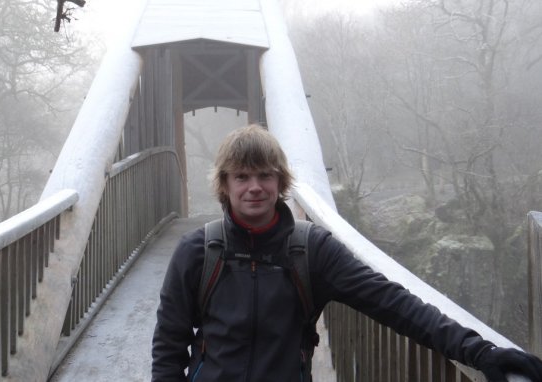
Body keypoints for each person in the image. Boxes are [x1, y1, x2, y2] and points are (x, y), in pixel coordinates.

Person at [152, 124, 542, 382]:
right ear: (225, 184)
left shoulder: (312, 251)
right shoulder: (198, 252)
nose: (254, 187)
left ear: (280, 181)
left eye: (265, 175)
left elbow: (396, 304)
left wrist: (479, 351)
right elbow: (169, 346)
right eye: (241, 176)